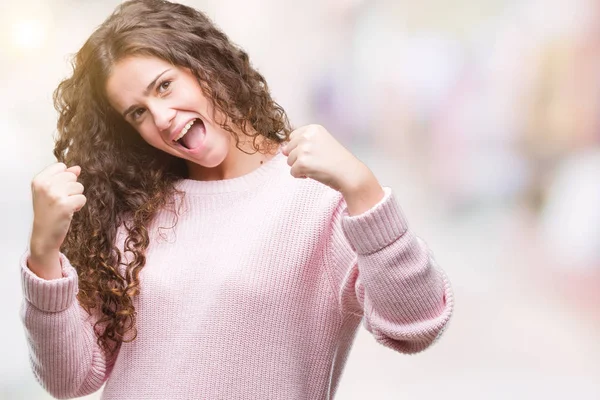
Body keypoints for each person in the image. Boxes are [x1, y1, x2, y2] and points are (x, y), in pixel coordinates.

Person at [19, 0, 454, 399]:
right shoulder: (134, 214)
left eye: (165, 86)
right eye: (138, 113)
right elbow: (69, 379)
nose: (162, 118)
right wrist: (43, 254)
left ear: (206, 64)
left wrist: (364, 190)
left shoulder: (318, 198)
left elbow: (417, 325)